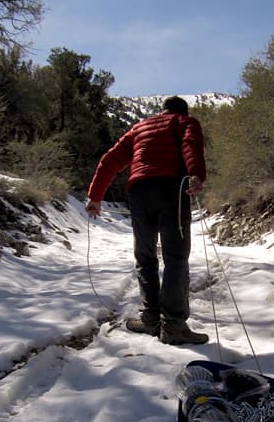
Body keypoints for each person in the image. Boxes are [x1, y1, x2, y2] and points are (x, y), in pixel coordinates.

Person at [85, 96, 209, 345]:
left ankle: (151, 318)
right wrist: (195, 174)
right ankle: (173, 325)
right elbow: (190, 144)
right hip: (172, 188)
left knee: (145, 255)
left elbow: (110, 160)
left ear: (162, 111)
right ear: (182, 111)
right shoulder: (185, 121)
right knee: (175, 257)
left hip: (139, 191)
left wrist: (95, 196)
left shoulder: (139, 128)